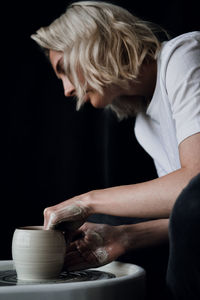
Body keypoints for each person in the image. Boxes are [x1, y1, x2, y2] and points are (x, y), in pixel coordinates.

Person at [31, 1, 200, 299]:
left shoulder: (184, 56)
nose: (67, 90)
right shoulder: (144, 126)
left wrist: (87, 201)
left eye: (63, 69)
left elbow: (194, 186)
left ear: (91, 44)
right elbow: (186, 212)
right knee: (107, 226)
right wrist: (124, 237)